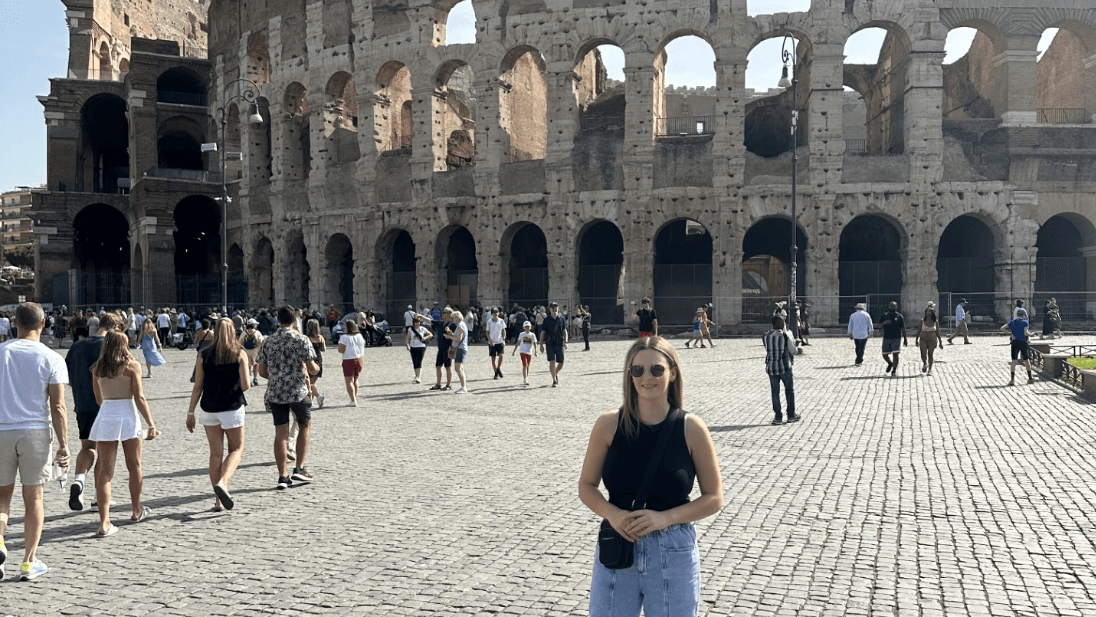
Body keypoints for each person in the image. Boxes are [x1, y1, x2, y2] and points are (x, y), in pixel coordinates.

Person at [578, 336, 723, 616]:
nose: (647, 377)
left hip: (673, 548)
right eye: (638, 370)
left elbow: (714, 497)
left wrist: (663, 519)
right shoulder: (608, 425)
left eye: (656, 369)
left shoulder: (690, 428)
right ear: (629, 375)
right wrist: (613, 514)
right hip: (619, 544)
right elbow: (586, 486)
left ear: (672, 372)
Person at [0, 303, 70, 580]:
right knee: (34, 498)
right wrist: (64, 445)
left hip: (2, 430)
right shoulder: (51, 358)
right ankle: (29, 561)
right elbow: (59, 406)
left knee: (2, 497)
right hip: (35, 432)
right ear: (43, 325)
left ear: (15, 323)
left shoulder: (1, 353)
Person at [88, 331, 159, 537]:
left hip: (107, 414)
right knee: (134, 465)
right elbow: (139, 397)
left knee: (105, 472)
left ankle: (104, 521)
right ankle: (136, 510)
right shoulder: (131, 366)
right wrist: (151, 423)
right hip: (127, 414)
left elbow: (98, 398)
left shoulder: (97, 368)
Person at [185, 319, 249, 511]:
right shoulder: (239, 353)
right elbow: (246, 385)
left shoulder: (204, 354)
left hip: (209, 407)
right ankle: (224, 482)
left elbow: (197, 386)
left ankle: (218, 501)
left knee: (215, 453)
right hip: (231, 406)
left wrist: (190, 412)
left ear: (215, 331)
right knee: (236, 449)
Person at [255, 306, 320, 489]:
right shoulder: (301, 339)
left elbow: (261, 371)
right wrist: (315, 369)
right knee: (304, 425)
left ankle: (283, 476)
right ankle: (299, 468)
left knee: (280, 433)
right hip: (298, 391)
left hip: (276, 392)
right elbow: (312, 367)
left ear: (278, 320)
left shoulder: (268, 341)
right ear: (294, 320)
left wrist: (276, 376)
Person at [64, 312, 123, 511]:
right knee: (106, 453)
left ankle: (79, 480)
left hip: (82, 404)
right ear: (115, 327)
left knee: (88, 447)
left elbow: (68, 376)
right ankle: (100, 497)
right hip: (106, 404)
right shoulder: (109, 346)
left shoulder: (77, 345)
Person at [763, 315, 799, 425]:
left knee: (775, 392)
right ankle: (791, 415)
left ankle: (778, 417)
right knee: (789, 390)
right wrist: (796, 345)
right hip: (784, 367)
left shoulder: (765, 336)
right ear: (782, 324)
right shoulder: (785, 335)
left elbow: (768, 349)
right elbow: (793, 351)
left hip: (771, 367)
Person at [1002, 308, 1035, 386]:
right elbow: (1026, 333)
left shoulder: (1012, 322)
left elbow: (1002, 328)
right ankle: (1030, 378)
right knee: (1026, 360)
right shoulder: (1025, 322)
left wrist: (1010, 333)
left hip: (1014, 342)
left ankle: (1012, 379)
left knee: (1014, 361)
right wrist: (1031, 334)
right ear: (1024, 315)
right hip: (1023, 342)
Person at [539, 302, 568, 387]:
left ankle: (555, 372)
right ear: (550, 309)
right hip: (550, 343)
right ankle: (554, 380)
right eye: (552, 308)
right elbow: (543, 332)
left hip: (559, 343)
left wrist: (566, 341)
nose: (554, 310)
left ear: (558, 309)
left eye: (556, 308)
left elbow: (564, 330)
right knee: (552, 361)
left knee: (561, 362)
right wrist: (541, 344)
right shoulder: (546, 320)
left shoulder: (561, 319)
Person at [338, 319, 366, 406]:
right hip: (360, 358)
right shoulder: (359, 336)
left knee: (349, 380)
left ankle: (353, 400)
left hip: (349, 359)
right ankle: (355, 397)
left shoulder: (344, 337)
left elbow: (341, 350)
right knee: (356, 379)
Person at [879, 301, 908, 377]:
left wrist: (905, 338)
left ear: (897, 307)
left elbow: (903, 328)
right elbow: (879, 325)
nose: (892, 307)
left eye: (894, 306)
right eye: (891, 306)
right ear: (888, 306)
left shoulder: (899, 316)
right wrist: (884, 323)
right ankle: (890, 363)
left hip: (896, 337)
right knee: (884, 354)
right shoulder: (884, 315)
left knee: (895, 354)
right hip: (886, 337)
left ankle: (894, 370)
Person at [914, 302, 944, 376]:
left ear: (932, 313)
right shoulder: (922, 321)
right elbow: (918, 331)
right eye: (926, 311)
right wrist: (916, 339)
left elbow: (938, 332)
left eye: (929, 312)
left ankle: (930, 369)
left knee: (930, 354)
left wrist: (940, 342)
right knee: (923, 353)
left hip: (932, 339)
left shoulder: (935, 322)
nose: (927, 313)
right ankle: (925, 363)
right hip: (923, 338)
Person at [430, 307, 455, 391]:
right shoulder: (441, 323)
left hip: (448, 348)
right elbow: (430, 321)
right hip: (440, 348)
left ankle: (449, 384)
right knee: (438, 366)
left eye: (445, 312)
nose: (443, 314)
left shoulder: (452, 324)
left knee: (448, 366)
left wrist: (450, 334)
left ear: (449, 314)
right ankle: (438, 384)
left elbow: (455, 336)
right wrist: (421, 317)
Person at [446, 311, 471, 394]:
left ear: (457, 317)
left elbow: (458, 339)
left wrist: (449, 337)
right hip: (461, 348)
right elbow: (457, 336)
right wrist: (452, 334)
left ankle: (464, 387)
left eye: (453, 318)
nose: (452, 319)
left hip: (460, 348)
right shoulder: (462, 325)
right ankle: (463, 387)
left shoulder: (460, 325)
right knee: (460, 368)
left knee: (458, 368)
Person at [304, 319, 326, 409]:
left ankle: (317, 396)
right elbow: (323, 349)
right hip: (319, 360)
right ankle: (312, 402)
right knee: (313, 383)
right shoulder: (320, 337)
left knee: (308, 383)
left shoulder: (306, 338)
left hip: (310, 360)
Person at [405, 316, 433, 384]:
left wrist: (425, 337)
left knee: (419, 361)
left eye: (418, 322)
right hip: (413, 347)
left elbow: (431, 334)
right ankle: (416, 375)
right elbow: (407, 339)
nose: (417, 323)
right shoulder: (410, 329)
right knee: (415, 362)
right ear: (413, 323)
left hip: (421, 347)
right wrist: (408, 345)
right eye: (416, 322)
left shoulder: (423, 329)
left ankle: (419, 377)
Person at [511, 321, 538, 386]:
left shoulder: (532, 335)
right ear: (524, 328)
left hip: (529, 352)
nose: (527, 328)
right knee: (524, 364)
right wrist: (514, 350)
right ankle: (525, 379)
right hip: (522, 351)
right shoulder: (521, 334)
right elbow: (518, 342)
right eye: (526, 327)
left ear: (530, 327)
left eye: (528, 327)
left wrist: (536, 350)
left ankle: (526, 377)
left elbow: (534, 343)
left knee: (528, 365)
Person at [239, 319, 264, 386]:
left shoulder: (244, 332)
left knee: (248, 366)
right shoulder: (257, 332)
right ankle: (255, 378)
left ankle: (249, 380)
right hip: (255, 351)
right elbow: (261, 341)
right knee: (255, 365)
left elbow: (240, 341)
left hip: (246, 351)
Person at [486, 307, 507, 379]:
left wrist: (504, 339)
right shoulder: (489, 322)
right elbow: (487, 332)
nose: (496, 314)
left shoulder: (501, 321)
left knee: (501, 355)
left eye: (497, 312)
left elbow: (503, 330)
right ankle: (496, 372)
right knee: (493, 358)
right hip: (492, 341)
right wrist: (489, 340)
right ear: (492, 314)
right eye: (494, 312)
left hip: (499, 341)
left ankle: (498, 368)